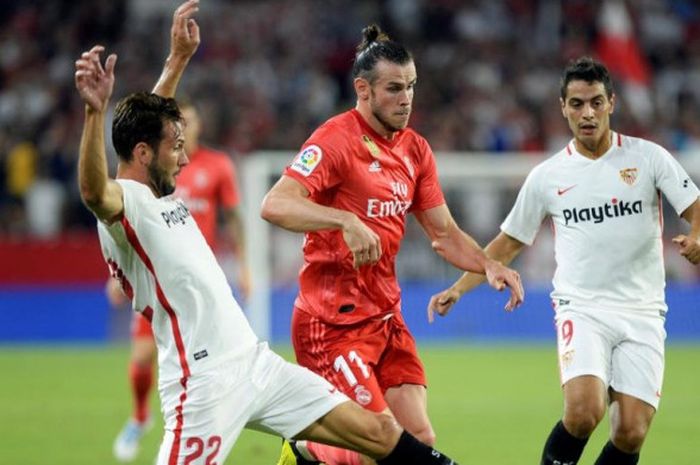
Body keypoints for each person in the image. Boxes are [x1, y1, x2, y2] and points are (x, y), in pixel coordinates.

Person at [74, 2, 461, 465]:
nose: (183, 158)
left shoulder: (155, 189)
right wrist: (95, 115)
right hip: (203, 383)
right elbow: (94, 190)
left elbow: (146, 126)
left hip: (254, 363)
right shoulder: (125, 205)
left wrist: (176, 61)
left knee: (380, 432)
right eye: (174, 149)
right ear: (143, 154)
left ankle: (303, 454)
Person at [261, 24, 524, 465]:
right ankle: (304, 448)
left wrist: (487, 264)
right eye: (394, 89)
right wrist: (344, 219)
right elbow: (275, 204)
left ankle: (309, 448)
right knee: (377, 445)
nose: (406, 99)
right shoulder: (335, 140)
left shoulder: (415, 150)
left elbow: (444, 234)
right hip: (331, 324)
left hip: (385, 318)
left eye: (412, 87)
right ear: (363, 89)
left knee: (418, 434)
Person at [427, 57, 700, 465]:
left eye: (594, 102)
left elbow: (695, 207)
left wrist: (697, 236)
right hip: (583, 307)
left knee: (630, 432)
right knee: (583, 411)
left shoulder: (649, 158)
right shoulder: (548, 176)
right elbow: (506, 245)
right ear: (562, 107)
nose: (586, 113)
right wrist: (458, 287)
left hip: (643, 309)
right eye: (576, 104)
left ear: (611, 103)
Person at [111, 97, 251, 461]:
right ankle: (140, 416)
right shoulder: (156, 170)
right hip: (157, 279)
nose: (183, 131)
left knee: (210, 363)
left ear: (198, 126)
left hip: (199, 285)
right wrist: (118, 273)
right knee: (142, 357)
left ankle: (207, 430)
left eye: (189, 121)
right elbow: (124, 218)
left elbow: (235, 219)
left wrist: (246, 266)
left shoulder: (218, 166)